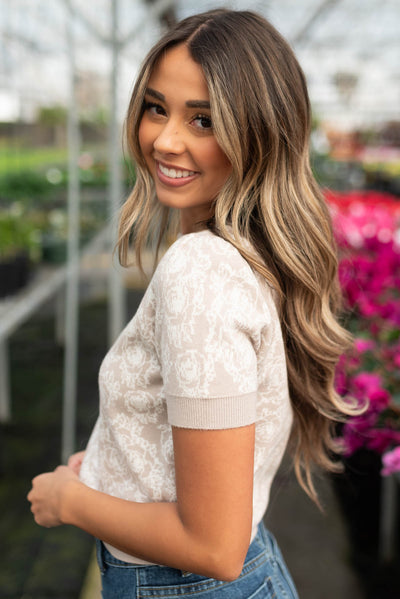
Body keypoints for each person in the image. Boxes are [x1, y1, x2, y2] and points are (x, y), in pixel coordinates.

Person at [28, 9, 360, 598]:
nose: (165, 139)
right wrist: (107, 465)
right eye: (157, 107)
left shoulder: (200, 270)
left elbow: (213, 546)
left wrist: (70, 501)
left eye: (202, 119)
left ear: (260, 132)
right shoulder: (245, 251)